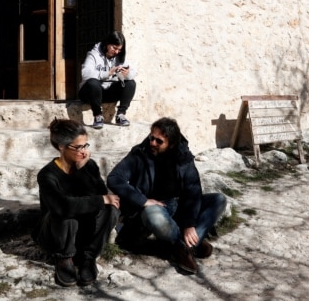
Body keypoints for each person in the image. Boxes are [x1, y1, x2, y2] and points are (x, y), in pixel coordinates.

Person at [107, 117, 227, 275]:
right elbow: (114, 178)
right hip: (155, 208)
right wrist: (142, 200)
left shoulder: (183, 157)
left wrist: (188, 224)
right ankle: (188, 245)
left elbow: (193, 190)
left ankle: (185, 246)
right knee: (153, 215)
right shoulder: (140, 153)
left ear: (171, 144)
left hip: (178, 206)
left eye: (159, 141)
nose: (153, 143)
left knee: (219, 200)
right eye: (151, 138)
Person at [32, 119, 121, 287]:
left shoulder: (88, 165)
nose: (84, 152)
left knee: (111, 209)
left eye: (86, 145)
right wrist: (101, 199)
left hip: (83, 232)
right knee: (67, 212)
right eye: (78, 147)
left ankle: (88, 257)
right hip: (56, 234)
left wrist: (83, 170)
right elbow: (61, 206)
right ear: (61, 146)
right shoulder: (47, 174)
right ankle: (64, 258)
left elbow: (100, 196)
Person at [78, 31, 136, 129]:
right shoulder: (93, 55)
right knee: (93, 83)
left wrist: (126, 74)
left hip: (107, 93)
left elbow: (133, 72)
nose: (117, 52)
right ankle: (98, 116)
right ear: (107, 43)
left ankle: (121, 115)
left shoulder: (119, 57)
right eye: (114, 48)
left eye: (119, 49)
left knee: (131, 83)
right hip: (90, 93)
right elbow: (85, 73)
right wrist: (107, 73)